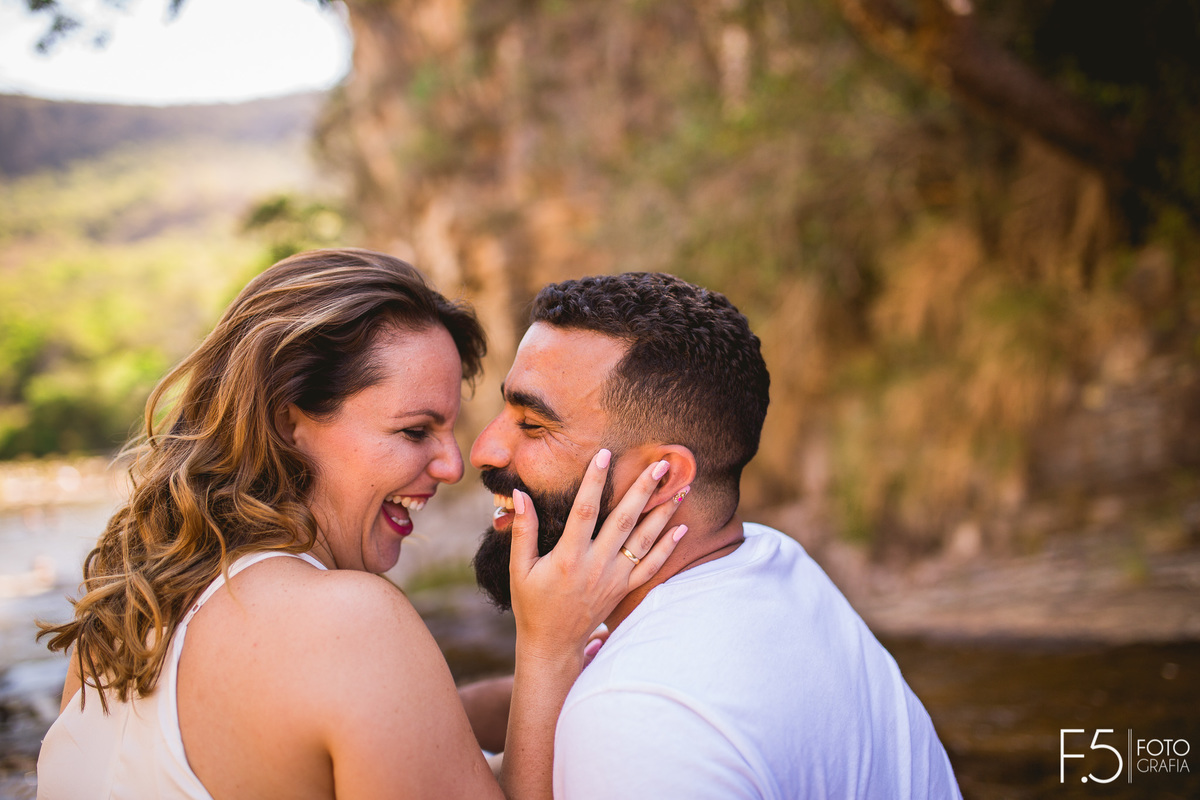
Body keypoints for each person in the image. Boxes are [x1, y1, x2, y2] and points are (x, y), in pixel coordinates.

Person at [34, 249, 685, 800]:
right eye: (414, 430)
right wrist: (549, 646)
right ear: (289, 420)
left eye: (449, 428)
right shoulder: (350, 622)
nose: (455, 464)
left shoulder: (127, 602)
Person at [470, 272, 962, 799]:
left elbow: (649, 711)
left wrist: (547, 653)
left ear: (661, 477)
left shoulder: (637, 718)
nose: (482, 450)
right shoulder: (772, 565)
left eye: (533, 424)